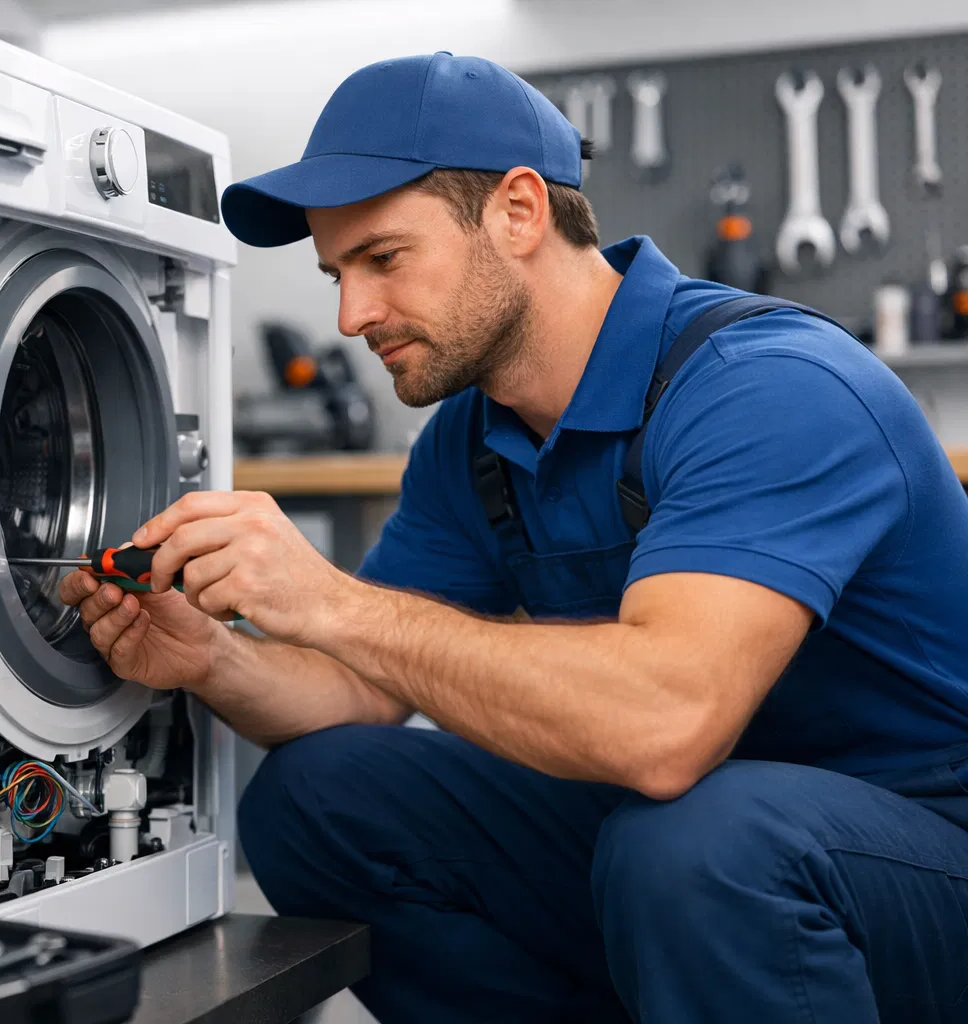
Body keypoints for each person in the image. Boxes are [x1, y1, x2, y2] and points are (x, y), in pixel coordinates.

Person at [61, 53, 968, 1023]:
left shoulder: (768, 388)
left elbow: (666, 730)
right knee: (318, 797)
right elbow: (365, 683)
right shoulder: (474, 437)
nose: (350, 315)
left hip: (921, 855)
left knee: (696, 842)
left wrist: (329, 599)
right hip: (707, 842)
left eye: (383, 259)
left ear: (520, 214)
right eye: (336, 274)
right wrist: (208, 658)